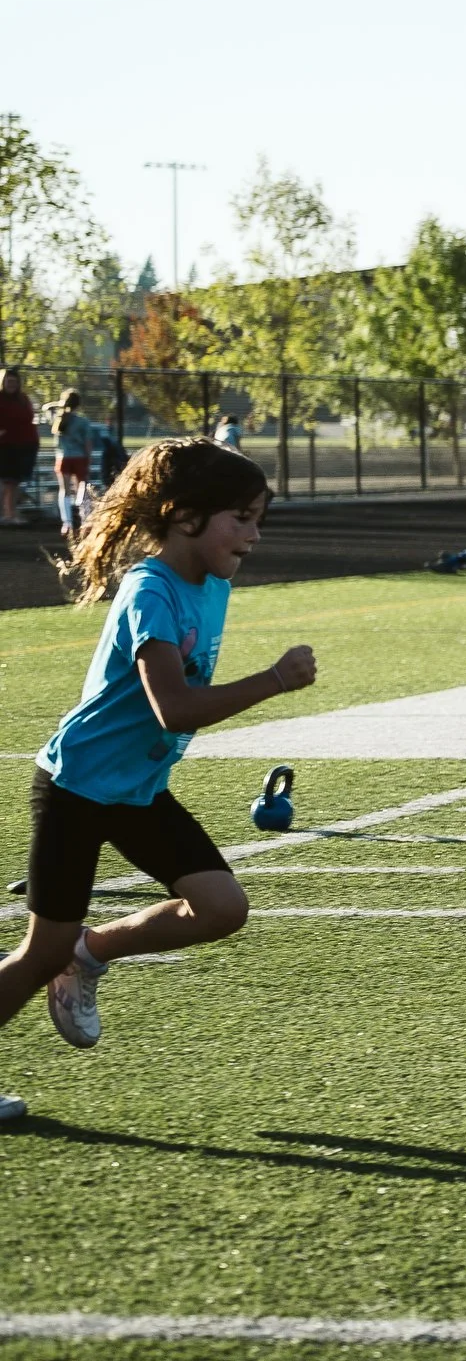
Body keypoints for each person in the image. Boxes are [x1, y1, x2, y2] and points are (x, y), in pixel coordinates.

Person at [0, 438, 317, 1120]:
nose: (254, 535)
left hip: (136, 791)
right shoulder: (150, 590)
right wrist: (273, 680)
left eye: (259, 518)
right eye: (242, 517)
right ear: (185, 516)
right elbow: (171, 706)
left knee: (223, 908)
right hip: (79, 787)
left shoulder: (214, 585)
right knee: (37, 951)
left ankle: (90, 953)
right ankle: (65, 952)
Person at [47, 391, 98, 542]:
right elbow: (88, 443)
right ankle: (85, 520)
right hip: (79, 457)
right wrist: (89, 459)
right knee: (83, 489)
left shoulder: (58, 419)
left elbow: (46, 407)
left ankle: (67, 523)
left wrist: (60, 404)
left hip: (63, 457)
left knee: (65, 491)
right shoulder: (82, 422)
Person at [0, 369, 37, 527]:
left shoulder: (23, 398)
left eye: (14, 382)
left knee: (16, 481)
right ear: (3, 382)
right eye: (9, 381)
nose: (12, 385)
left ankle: (11, 512)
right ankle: (8, 514)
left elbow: (28, 416)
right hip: (6, 445)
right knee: (9, 481)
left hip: (24, 445)